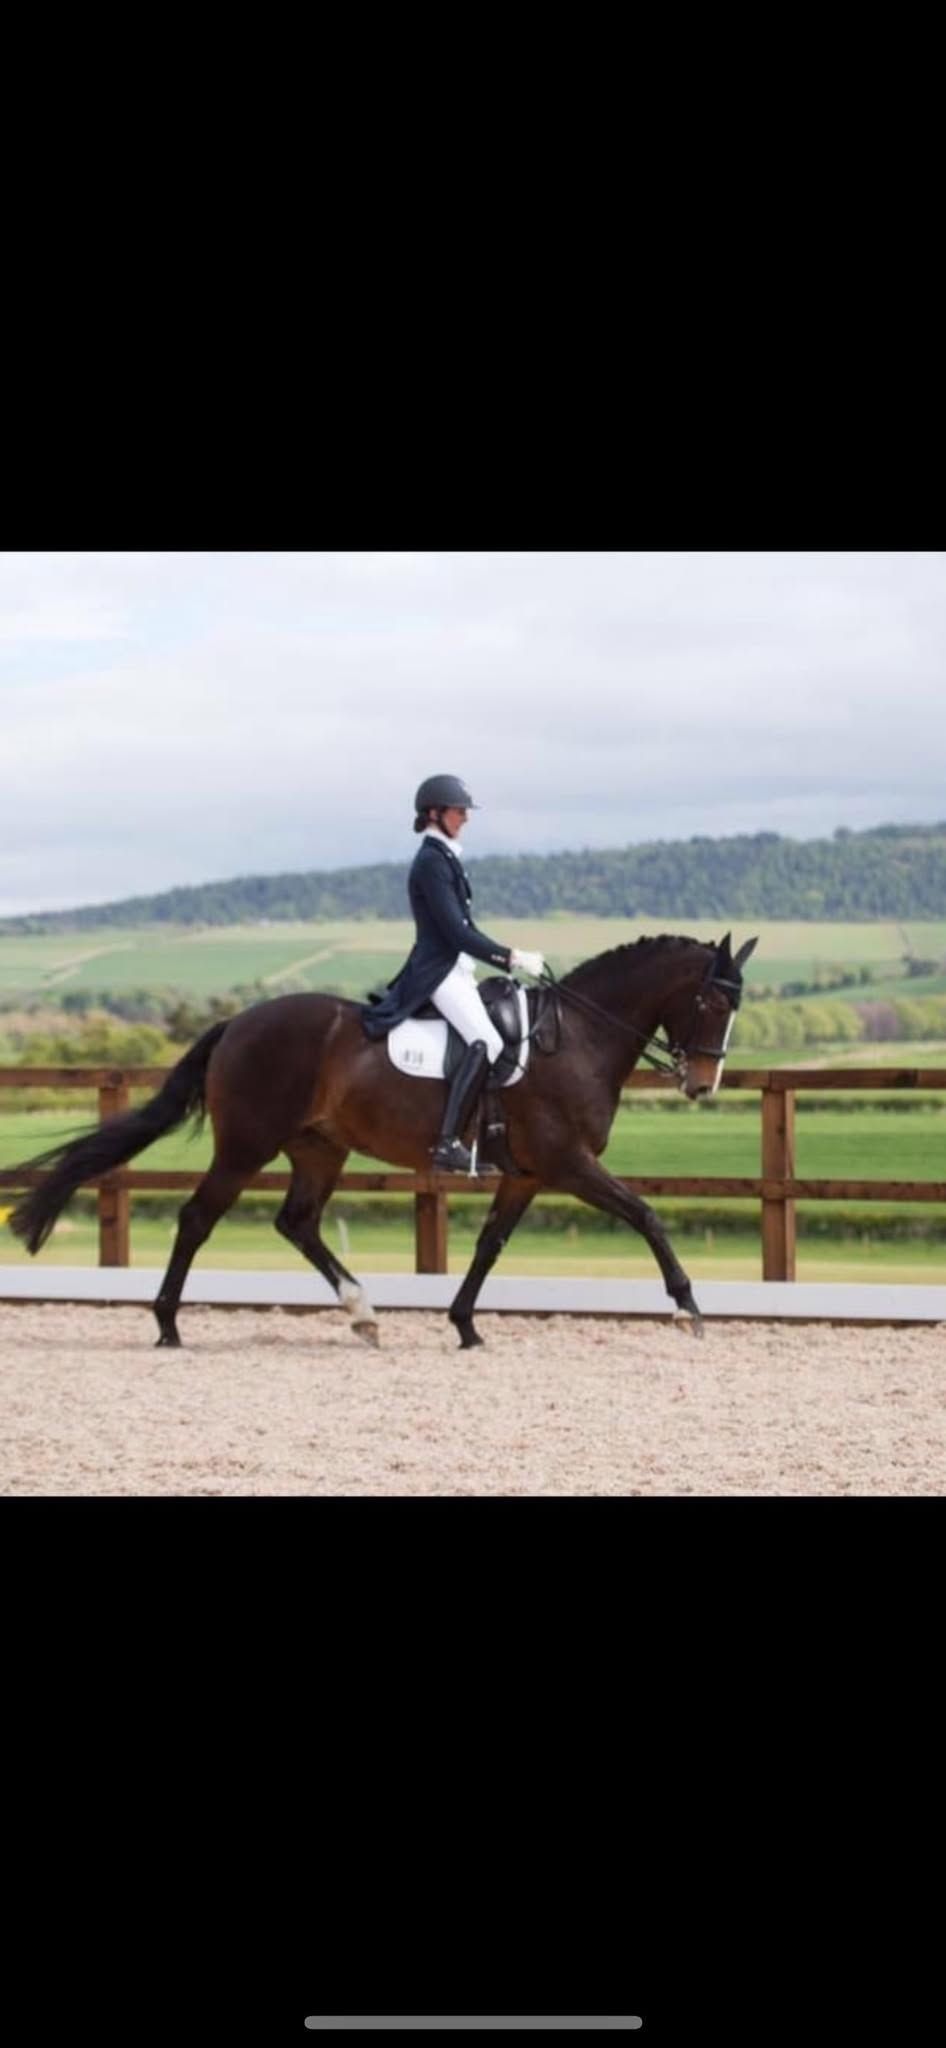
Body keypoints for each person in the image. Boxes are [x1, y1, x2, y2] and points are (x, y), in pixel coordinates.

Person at [361, 774, 546, 1171]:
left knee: (489, 1038)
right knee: (486, 1042)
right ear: (435, 813)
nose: (465, 817)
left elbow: (467, 930)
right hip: (438, 970)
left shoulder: (445, 857)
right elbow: (456, 933)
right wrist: (510, 957)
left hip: (455, 968)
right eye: (459, 810)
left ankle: (483, 1134)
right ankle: (447, 1144)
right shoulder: (431, 861)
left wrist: (507, 959)